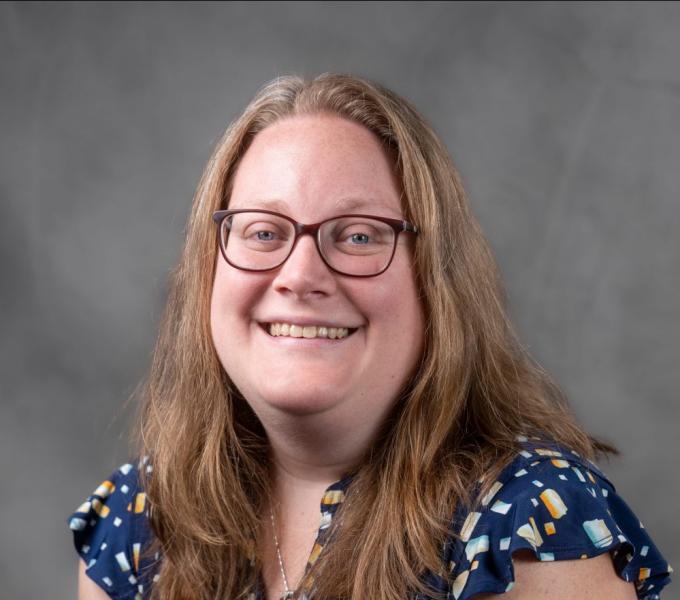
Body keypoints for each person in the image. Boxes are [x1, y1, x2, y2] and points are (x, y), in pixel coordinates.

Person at [68, 73, 672, 600]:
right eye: (262, 233)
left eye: (358, 236)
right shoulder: (144, 517)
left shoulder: (529, 524)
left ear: (437, 282)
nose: (300, 275)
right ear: (209, 268)